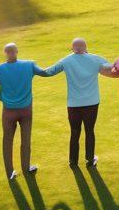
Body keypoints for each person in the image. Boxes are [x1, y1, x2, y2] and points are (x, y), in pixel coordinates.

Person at [0, 43, 48, 181]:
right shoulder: (29, 65)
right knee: (26, 140)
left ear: (5, 53)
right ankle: (26, 168)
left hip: (9, 112)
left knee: (7, 140)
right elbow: (45, 72)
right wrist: (63, 65)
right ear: (16, 51)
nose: (11, 53)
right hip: (26, 110)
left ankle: (10, 173)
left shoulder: (0, 68)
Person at [41, 39, 114, 168]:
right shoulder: (96, 59)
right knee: (89, 131)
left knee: (75, 131)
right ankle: (90, 160)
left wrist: (30, 69)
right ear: (86, 47)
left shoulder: (66, 60)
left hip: (74, 104)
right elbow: (111, 67)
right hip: (92, 102)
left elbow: (48, 72)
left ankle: (73, 161)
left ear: (72, 48)